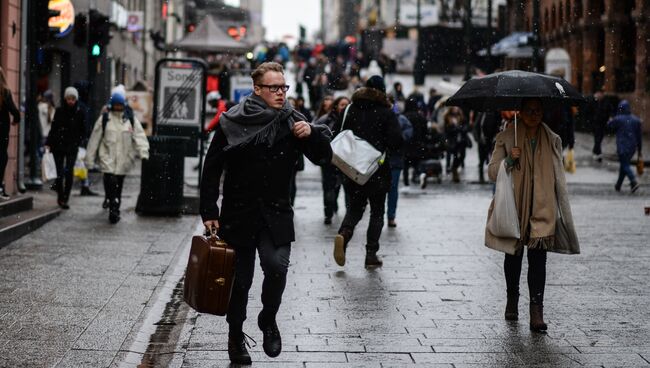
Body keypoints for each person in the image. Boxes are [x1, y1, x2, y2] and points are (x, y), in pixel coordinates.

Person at [200, 62, 332, 365]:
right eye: (274, 88)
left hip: (276, 212)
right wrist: (209, 209)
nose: (280, 93)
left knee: (276, 267)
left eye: (283, 87)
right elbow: (212, 167)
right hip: (239, 212)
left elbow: (324, 156)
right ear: (257, 89)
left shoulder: (293, 120)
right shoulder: (232, 120)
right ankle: (235, 337)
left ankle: (268, 318)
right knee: (240, 283)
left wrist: (310, 133)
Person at [486, 98, 580, 332]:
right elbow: (492, 171)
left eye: (538, 110)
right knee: (513, 257)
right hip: (514, 207)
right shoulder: (507, 136)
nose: (534, 114)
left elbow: (558, 175)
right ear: (521, 111)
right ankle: (512, 299)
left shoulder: (552, 139)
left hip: (542, 206)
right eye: (529, 110)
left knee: (538, 260)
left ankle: (536, 311)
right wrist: (509, 160)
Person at [331, 75, 404, 268]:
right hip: (376, 169)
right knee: (377, 212)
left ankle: (344, 233)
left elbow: (336, 132)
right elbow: (396, 141)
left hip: (352, 168)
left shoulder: (350, 109)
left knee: (355, 208)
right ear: (381, 91)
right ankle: (371, 254)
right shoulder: (386, 112)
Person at [85, 93, 149, 224]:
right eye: (116, 105)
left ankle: (114, 206)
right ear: (112, 105)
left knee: (118, 186)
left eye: (120, 105)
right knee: (111, 182)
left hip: (124, 160)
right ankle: (113, 208)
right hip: (107, 158)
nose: (118, 107)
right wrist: (89, 159)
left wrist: (143, 152)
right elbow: (94, 140)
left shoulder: (130, 120)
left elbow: (139, 136)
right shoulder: (104, 119)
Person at [45, 87, 86, 209]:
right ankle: (60, 196)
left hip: (72, 146)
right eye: (69, 98)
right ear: (65, 98)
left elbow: (83, 130)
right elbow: (54, 127)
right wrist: (49, 142)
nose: (71, 101)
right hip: (58, 145)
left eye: (73, 99)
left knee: (69, 173)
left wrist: (79, 141)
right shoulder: (59, 111)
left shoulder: (80, 112)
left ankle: (65, 198)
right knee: (59, 173)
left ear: (76, 99)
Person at [315, 96, 350, 224]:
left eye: (347, 105)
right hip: (329, 160)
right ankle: (328, 213)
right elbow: (315, 138)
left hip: (347, 161)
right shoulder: (325, 120)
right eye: (342, 105)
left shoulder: (352, 119)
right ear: (336, 106)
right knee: (329, 188)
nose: (344, 107)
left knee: (348, 189)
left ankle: (349, 215)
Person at [386, 97, 413, 227]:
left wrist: (399, 139)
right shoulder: (379, 116)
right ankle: (381, 215)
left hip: (395, 159)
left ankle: (391, 216)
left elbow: (408, 131)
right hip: (378, 160)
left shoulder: (400, 119)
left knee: (393, 189)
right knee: (380, 190)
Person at [608, 100, 643, 193]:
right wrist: (640, 149)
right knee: (624, 165)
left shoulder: (618, 119)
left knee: (625, 165)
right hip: (632, 147)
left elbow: (609, 126)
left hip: (622, 146)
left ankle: (633, 181)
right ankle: (618, 185)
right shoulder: (636, 120)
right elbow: (639, 137)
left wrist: (610, 119)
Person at [0, 67, 20, 200]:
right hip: (1, 130)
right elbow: (14, 110)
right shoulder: (5, 92)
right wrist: (16, 120)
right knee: (2, 157)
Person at [403, 96, 428, 186]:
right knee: (417, 163)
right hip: (418, 144)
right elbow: (426, 132)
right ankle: (421, 174)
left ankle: (406, 184)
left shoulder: (404, 117)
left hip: (407, 145)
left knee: (406, 165)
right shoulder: (421, 117)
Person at [443, 107, 471, 183]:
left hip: (462, 140)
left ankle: (454, 167)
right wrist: (454, 129)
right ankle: (454, 169)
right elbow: (446, 130)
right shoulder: (447, 117)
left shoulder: (462, 117)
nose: (456, 109)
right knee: (454, 155)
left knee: (462, 156)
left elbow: (467, 127)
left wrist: (462, 129)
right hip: (453, 141)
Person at [473, 111, 500, 183]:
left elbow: (496, 127)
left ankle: (493, 177)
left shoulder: (493, 114)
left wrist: (493, 138)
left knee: (492, 159)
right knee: (481, 160)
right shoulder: (480, 114)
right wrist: (477, 138)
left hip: (490, 141)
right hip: (481, 142)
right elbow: (476, 126)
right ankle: (481, 177)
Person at [589, 88, 614, 162]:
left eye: (600, 94)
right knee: (597, 139)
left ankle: (595, 151)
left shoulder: (606, 102)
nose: (599, 95)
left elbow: (610, 110)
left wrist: (610, 117)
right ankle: (598, 154)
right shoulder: (594, 101)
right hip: (595, 124)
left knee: (599, 140)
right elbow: (590, 111)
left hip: (602, 124)